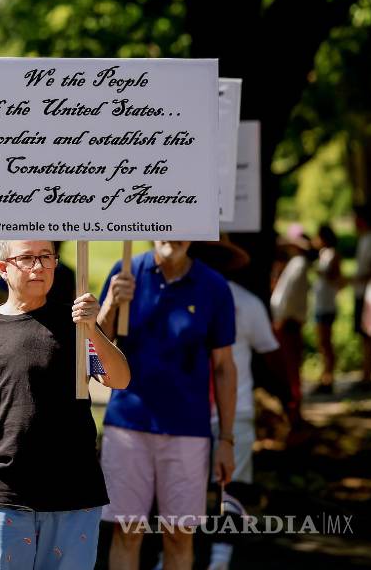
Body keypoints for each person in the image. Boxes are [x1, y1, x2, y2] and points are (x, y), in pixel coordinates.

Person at [0, 240, 129, 569]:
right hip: (1, 498)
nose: (38, 266)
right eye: (27, 258)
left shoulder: (77, 325)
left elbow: (118, 379)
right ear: (3, 268)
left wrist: (93, 330)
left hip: (74, 496)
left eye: (46, 257)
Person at [97, 240, 237, 570]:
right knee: (127, 533)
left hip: (188, 431)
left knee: (178, 535)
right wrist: (111, 305)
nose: (171, 234)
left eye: (181, 225)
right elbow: (95, 351)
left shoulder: (213, 286)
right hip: (128, 426)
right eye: (163, 223)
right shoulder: (125, 271)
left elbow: (224, 368)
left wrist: (227, 440)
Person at [189, 236, 280, 570]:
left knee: (232, 487)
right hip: (186, 412)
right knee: (184, 487)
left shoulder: (244, 302)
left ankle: (220, 556)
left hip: (234, 409)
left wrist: (287, 399)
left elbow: (270, 353)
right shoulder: (171, 298)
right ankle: (179, 553)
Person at [269, 231, 312, 423]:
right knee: (288, 370)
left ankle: (295, 414)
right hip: (286, 322)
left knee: (291, 370)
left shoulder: (299, 264)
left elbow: (289, 297)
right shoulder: (294, 264)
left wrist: (281, 320)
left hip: (288, 324)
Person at [311, 224, 343, 394]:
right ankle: (325, 376)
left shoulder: (333, 254)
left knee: (326, 342)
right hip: (320, 303)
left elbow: (336, 276)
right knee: (322, 342)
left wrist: (320, 272)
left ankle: (328, 378)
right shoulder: (323, 254)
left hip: (327, 304)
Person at [352, 208, 371, 392]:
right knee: (365, 334)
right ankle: (366, 374)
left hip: (368, 292)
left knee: (366, 333)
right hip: (363, 291)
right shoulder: (366, 239)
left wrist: (357, 279)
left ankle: (367, 376)